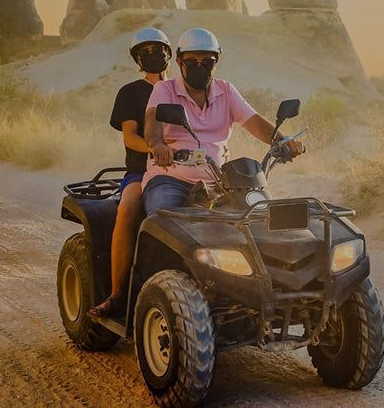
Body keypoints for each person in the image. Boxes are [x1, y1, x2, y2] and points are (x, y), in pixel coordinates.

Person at [142, 28, 305, 216]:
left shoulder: (226, 90)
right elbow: (152, 118)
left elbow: (255, 122)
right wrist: (157, 144)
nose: (200, 66)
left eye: (207, 62)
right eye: (192, 62)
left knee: (259, 218)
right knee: (165, 218)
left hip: (219, 182)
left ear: (216, 62)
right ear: (179, 62)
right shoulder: (165, 89)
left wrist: (283, 142)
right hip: (170, 179)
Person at [88, 28, 171, 319]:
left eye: (159, 50)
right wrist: (154, 150)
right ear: (137, 58)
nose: (154, 55)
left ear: (170, 55)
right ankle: (117, 294)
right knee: (128, 206)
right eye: (146, 52)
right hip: (141, 170)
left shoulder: (180, 91)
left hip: (183, 170)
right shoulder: (130, 92)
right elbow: (129, 137)